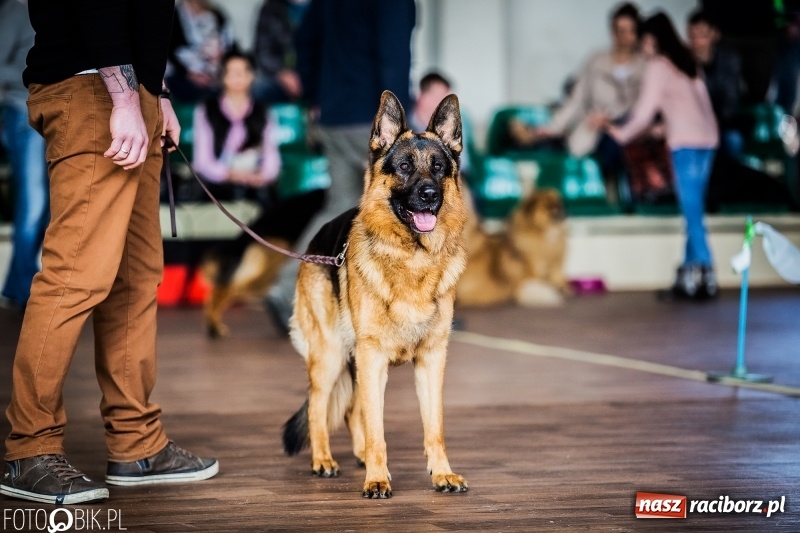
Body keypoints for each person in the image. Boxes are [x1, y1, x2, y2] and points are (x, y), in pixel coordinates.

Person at [1, 0, 218, 506]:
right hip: (91, 90)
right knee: (76, 275)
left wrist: (154, 91)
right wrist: (124, 97)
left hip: (131, 93)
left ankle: (136, 444)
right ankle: (28, 448)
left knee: (135, 277)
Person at [263, 0, 416, 334]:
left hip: (333, 116)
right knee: (398, 210)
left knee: (339, 208)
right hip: (372, 121)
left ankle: (286, 290)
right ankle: (409, 310)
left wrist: (316, 98)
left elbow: (305, 42)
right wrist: (399, 125)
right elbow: (394, 56)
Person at [606, 12, 719, 301]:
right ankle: (686, 276)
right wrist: (665, 126)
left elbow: (643, 113)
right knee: (693, 211)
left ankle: (706, 274)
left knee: (691, 211)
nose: (642, 47)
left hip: (685, 145)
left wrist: (620, 134)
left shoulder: (658, 65)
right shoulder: (684, 61)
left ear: (653, 39)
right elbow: (697, 106)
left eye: (644, 40)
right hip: (708, 140)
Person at [518, 2, 645, 180]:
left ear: (637, 33)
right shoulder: (596, 60)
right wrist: (553, 127)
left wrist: (610, 120)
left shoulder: (646, 67)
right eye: (618, 30)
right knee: (570, 148)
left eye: (628, 30)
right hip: (592, 127)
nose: (622, 36)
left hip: (629, 132)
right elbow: (577, 99)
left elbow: (643, 108)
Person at [0, 0, 48, 312]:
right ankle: (22, 290)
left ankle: (21, 285)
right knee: (33, 204)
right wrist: (40, 74)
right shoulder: (16, 11)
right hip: (22, 112)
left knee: (44, 206)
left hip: (52, 114)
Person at [192, 50, 281, 207]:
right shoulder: (206, 109)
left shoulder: (263, 111)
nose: (238, 77)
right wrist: (229, 174)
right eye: (232, 72)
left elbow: (271, 155)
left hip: (254, 183)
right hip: (218, 185)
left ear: (251, 75)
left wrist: (261, 176)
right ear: (222, 76)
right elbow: (202, 161)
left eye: (243, 71)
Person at [687, 9, 745, 157]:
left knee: (733, 141)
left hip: (723, 125)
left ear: (715, 34)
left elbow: (729, 102)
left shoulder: (728, 61)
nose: (696, 42)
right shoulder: (684, 63)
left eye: (702, 36)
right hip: (692, 128)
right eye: (692, 36)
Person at [166, 0, 236, 103]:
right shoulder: (174, 15)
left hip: (216, 73)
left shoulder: (217, 14)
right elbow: (169, 52)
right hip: (183, 74)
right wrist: (189, 74)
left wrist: (222, 58)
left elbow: (231, 45)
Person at [409, 72, 471, 179]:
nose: (443, 102)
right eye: (437, 96)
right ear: (421, 96)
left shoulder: (454, 123)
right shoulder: (404, 123)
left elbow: (462, 165)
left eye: (445, 97)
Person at [252, 0, 310, 105]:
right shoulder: (271, 8)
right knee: (258, 91)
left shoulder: (324, 7)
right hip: (281, 75)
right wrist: (283, 74)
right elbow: (262, 52)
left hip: (317, 76)